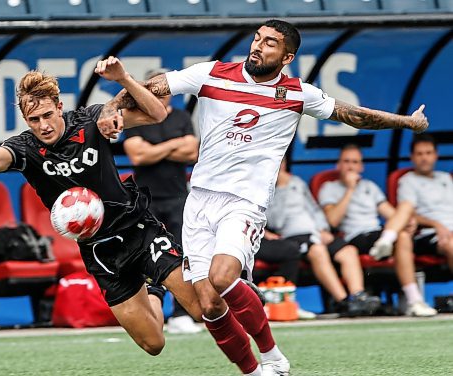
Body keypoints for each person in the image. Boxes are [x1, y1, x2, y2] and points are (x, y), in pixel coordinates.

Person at [97, 20, 429, 376]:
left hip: (245, 202)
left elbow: (354, 115)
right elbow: (153, 87)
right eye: (257, 39)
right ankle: (255, 372)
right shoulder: (212, 74)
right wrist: (111, 105)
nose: (258, 46)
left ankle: (272, 355)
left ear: (287, 56)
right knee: (208, 305)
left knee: (222, 277)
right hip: (199, 201)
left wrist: (405, 123)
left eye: (270, 43)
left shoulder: (298, 93)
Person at [0, 57, 202, 357]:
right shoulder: (25, 148)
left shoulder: (91, 121)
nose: (43, 125)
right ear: (26, 121)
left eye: (47, 115)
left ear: (59, 107)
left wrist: (123, 79)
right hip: (100, 251)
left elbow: (156, 114)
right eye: (34, 120)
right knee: (153, 343)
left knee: (199, 307)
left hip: (136, 228)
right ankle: (154, 290)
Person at [123, 68, 201, 334]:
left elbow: (192, 150)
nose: (162, 95)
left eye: (165, 90)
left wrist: (155, 149)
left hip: (178, 197)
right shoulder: (135, 118)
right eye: (155, 90)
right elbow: (138, 157)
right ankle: (151, 312)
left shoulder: (181, 117)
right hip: (147, 199)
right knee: (147, 255)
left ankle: (181, 314)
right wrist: (173, 145)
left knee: (182, 254)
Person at [318, 144, 437, 317]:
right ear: (338, 165)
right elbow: (333, 220)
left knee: (403, 229)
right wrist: (350, 189)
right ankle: (412, 296)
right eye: (346, 162)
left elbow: (389, 213)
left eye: (355, 162)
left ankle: (414, 301)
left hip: (377, 233)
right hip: (354, 237)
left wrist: (406, 222)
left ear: (361, 167)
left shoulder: (369, 186)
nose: (351, 166)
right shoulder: (329, 187)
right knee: (400, 235)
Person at [259, 158, 381, 317]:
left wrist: (323, 229)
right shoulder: (264, 189)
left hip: (317, 232)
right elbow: (276, 221)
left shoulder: (296, 181)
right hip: (293, 236)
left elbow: (314, 208)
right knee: (318, 250)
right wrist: (281, 188)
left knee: (348, 250)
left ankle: (358, 296)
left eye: (282, 162)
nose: (279, 166)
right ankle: (343, 302)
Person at [398, 133, 453, 273]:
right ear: (412, 157)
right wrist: (436, 225)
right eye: (419, 154)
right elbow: (407, 214)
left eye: (428, 153)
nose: (424, 158)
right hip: (429, 235)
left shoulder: (446, 178)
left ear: (436, 155)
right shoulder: (407, 181)